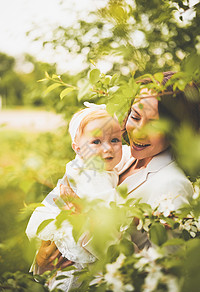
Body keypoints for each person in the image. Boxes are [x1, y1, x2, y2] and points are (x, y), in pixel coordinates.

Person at [34, 71, 200, 279]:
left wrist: (91, 222)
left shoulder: (173, 185)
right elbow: (58, 200)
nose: (138, 132)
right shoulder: (121, 154)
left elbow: (162, 275)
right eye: (136, 117)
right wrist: (43, 255)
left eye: (154, 124)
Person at [26, 102, 127, 292]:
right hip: (74, 252)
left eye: (115, 140)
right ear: (77, 148)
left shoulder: (86, 164)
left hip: (77, 242)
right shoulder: (92, 176)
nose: (108, 149)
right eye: (96, 142)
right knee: (69, 287)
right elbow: (108, 211)